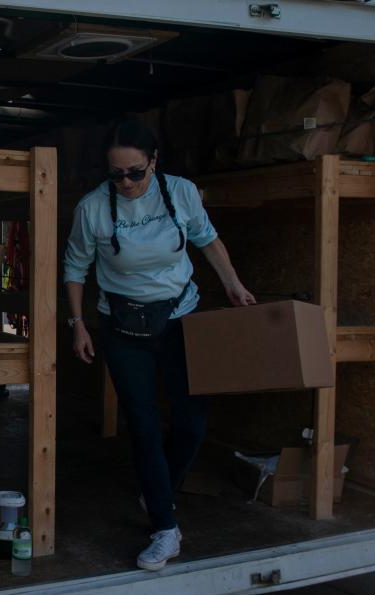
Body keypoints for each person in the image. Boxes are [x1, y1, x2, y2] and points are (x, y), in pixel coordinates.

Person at [63, 119, 255, 572]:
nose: (126, 183)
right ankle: (165, 529)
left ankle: (158, 490)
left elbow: (207, 239)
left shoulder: (182, 192)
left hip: (179, 316)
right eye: (116, 174)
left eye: (135, 172)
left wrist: (234, 285)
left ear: (153, 162)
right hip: (122, 326)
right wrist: (78, 324)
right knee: (144, 425)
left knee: (192, 422)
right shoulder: (92, 208)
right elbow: (75, 267)